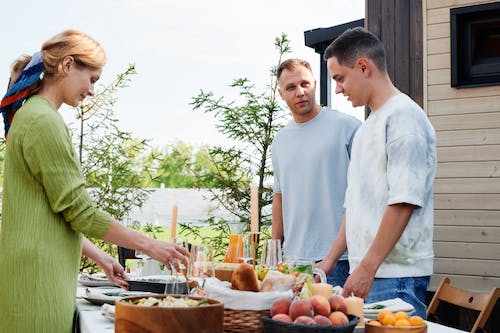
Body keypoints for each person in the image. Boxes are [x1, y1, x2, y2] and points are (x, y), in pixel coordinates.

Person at [0, 29, 189, 332]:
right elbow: (80, 211)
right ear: (67, 65)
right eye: (92, 79)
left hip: (32, 272)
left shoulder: (32, 115)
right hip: (37, 279)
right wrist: (151, 246)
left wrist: (101, 256)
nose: (91, 91)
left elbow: (57, 211)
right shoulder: (43, 121)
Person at [316, 27, 436, 318]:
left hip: (395, 277)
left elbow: (404, 201)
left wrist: (366, 268)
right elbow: (353, 204)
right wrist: (328, 262)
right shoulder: (368, 126)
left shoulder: (404, 119)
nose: (337, 89)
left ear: (363, 67)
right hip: (367, 271)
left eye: (339, 78)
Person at [271, 58, 361, 287]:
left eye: (305, 84)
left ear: (315, 84)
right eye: (291, 87)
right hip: (293, 261)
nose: (300, 92)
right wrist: (274, 254)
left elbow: (365, 194)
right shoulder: (280, 141)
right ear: (281, 94)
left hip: (341, 260)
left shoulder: (347, 127)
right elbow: (279, 198)